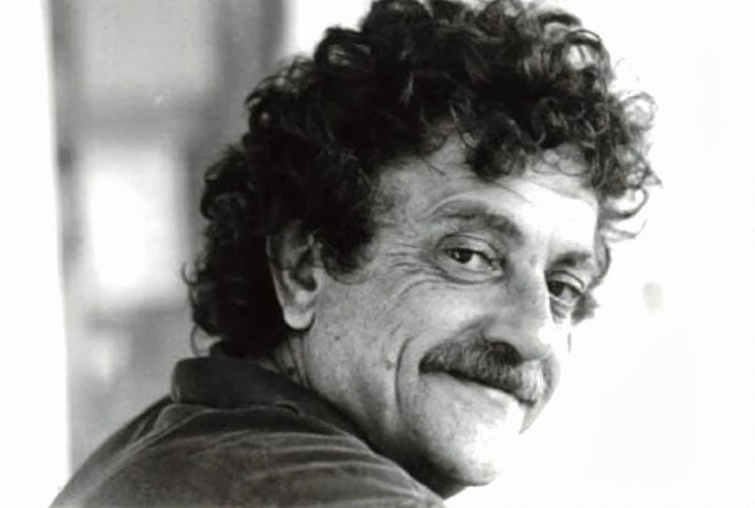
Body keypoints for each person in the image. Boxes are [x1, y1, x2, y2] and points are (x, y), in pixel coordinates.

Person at [52, 0, 656, 506]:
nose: (534, 335)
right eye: (470, 256)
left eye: (561, 288)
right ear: (303, 268)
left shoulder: (170, 447)